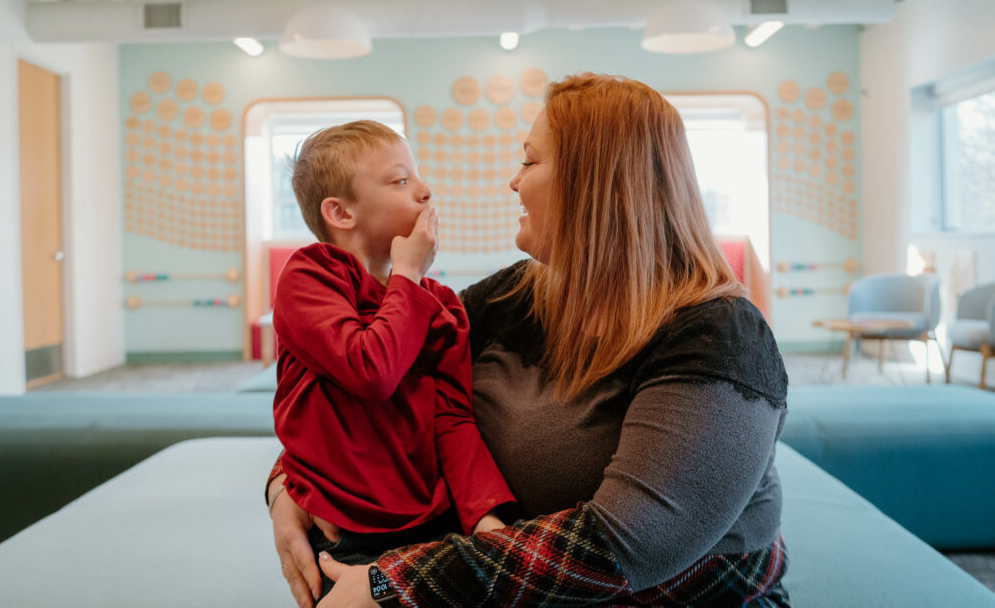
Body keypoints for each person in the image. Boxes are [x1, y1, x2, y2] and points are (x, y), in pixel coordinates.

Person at [268, 74, 791, 607]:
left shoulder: (720, 336)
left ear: (595, 182)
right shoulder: (505, 300)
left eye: (529, 162)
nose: (513, 183)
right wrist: (287, 484)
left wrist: (394, 582)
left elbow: (624, 546)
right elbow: (368, 389)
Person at [269, 121, 515, 598]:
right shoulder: (310, 276)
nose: (425, 191)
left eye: (417, 177)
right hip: (345, 529)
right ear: (341, 212)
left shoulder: (437, 301)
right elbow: (370, 371)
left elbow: (451, 417)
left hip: (434, 523)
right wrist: (407, 273)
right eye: (401, 181)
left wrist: (484, 515)